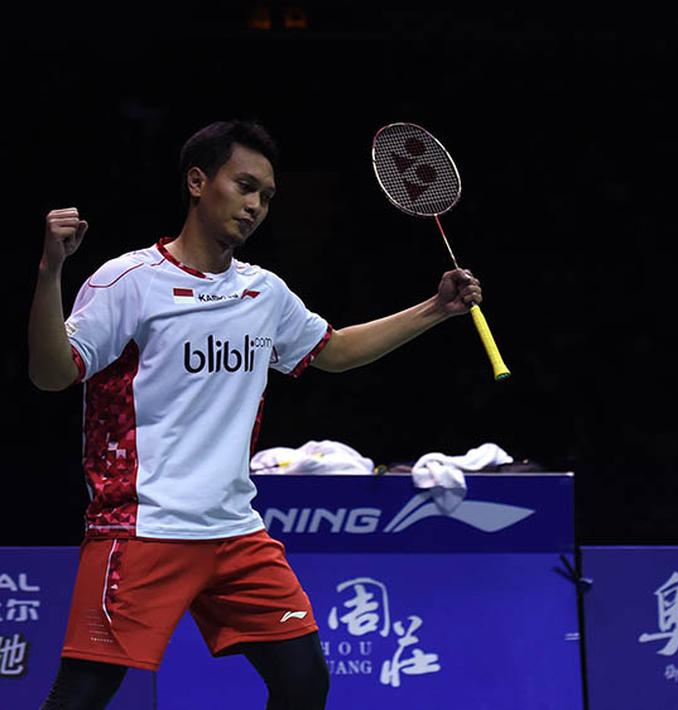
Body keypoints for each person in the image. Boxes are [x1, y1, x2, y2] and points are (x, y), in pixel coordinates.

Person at [29, 120, 484, 709]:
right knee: (83, 695)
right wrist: (50, 273)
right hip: (142, 529)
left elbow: (335, 351)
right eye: (244, 186)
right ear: (198, 181)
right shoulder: (128, 282)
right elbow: (52, 374)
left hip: (235, 531)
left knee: (302, 680)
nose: (255, 206)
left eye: (266, 196)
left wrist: (435, 309)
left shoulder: (262, 292)